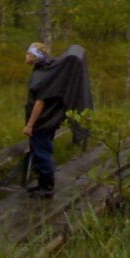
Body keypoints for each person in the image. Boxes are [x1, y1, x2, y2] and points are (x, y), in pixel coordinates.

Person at [23, 42, 93, 199]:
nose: (25, 56)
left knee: (42, 153)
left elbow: (40, 102)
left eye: (28, 53)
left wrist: (29, 125)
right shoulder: (49, 69)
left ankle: (47, 189)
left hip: (43, 122)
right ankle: (42, 184)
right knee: (41, 151)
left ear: (35, 55)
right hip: (50, 120)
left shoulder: (43, 74)